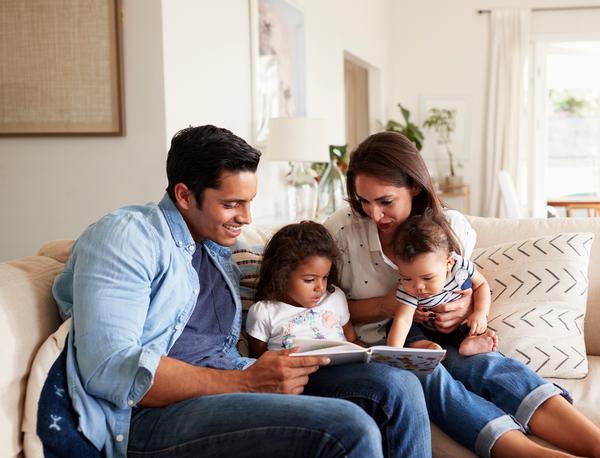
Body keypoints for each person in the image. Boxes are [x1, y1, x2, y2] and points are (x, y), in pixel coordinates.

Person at [50, 125, 430, 458]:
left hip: (235, 378)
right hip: (154, 415)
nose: (247, 218)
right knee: (348, 426)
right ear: (184, 196)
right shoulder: (127, 237)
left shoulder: (217, 245)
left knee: (397, 385)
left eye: (249, 202)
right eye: (232, 204)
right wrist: (247, 382)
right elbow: (111, 367)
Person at [325, 131, 600, 458]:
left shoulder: (451, 227)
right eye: (363, 201)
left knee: (486, 364)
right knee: (425, 375)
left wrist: (463, 310)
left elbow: (468, 285)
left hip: (446, 334)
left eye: (386, 201)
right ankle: (532, 453)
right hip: (385, 346)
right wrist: (387, 305)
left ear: (414, 186)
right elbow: (320, 308)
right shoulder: (341, 230)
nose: (374, 214)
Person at [387, 213, 498, 356]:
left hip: (458, 325)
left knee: (471, 325)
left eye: (427, 278)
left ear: (448, 263)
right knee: (395, 324)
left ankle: (470, 342)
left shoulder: (459, 268)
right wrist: (392, 354)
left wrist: (480, 313)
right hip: (426, 330)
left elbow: (481, 284)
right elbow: (403, 320)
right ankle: (425, 346)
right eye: (407, 278)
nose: (418, 286)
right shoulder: (408, 289)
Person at [245, 221, 361, 355]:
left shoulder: (335, 296)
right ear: (281, 275)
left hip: (344, 369)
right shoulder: (264, 312)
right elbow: (259, 363)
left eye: (325, 277)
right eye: (309, 280)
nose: (320, 288)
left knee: (384, 373)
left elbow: (352, 340)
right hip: (300, 374)